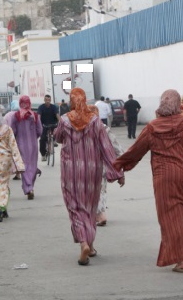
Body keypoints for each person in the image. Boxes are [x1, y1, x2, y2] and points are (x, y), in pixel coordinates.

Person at [113, 89, 183, 273]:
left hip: (164, 178)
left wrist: (118, 164)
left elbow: (136, 150)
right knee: (181, 214)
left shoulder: (152, 127)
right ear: (177, 104)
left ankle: (181, 259)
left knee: (171, 217)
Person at [54, 88, 124, 266]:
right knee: (90, 207)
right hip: (92, 171)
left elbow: (57, 138)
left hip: (71, 171)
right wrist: (117, 172)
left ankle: (84, 243)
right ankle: (91, 246)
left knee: (75, 207)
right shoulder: (95, 121)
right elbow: (106, 147)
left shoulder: (64, 120)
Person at [9, 95, 43, 200]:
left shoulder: (16, 115)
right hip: (33, 145)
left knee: (24, 166)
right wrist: (33, 137)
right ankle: (31, 187)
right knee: (32, 166)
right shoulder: (35, 115)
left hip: (21, 145)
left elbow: (12, 131)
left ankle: (28, 188)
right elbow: (40, 131)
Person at [96, 108, 125, 227]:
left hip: (84, 165)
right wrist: (121, 168)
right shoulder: (104, 128)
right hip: (101, 164)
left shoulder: (81, 128)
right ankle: (101, 213)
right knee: (101, 189)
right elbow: (117, 148)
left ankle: (98, 214)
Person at [37, 95, 59, 161]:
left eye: (49, 100)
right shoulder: (41, 107)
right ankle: (43, 155)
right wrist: (38, 123)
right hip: (44, 125)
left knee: (56, 131)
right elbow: (39, 116)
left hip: (53, 124)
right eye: (46, 100)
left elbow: (57, 115)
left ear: (50, 100)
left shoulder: (54, 107)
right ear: (44, 100)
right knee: (42, 139)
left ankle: (54, 140)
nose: (47, 101)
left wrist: (61, 122)